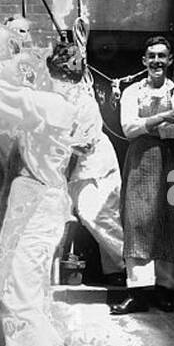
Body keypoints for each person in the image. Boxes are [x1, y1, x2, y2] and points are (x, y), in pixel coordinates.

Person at [0, 41, 104, 346]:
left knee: (19, 293)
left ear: (49, 71)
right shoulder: (62, 102)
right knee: (19, 288)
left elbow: (0, 98)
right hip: (34, 201)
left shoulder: (52, 104)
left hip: (37, 204)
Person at [111, 34, 174, 315]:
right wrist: (159, 119)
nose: (157, 61)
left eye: (162, 56)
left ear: (170, 60)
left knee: (171, 219)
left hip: (173, 160)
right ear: (144, 60)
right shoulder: (133, 92)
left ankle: (164, 291)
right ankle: (138, 293)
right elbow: (128, 129)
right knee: (138, 220)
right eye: (152, 56)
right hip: (141, 161)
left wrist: (147, 124)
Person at [66, 94, 125, 283]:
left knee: (97, 214)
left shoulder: (84, 101)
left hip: (96, 164)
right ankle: (116, 272)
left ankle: (131, 264)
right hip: (71, 168)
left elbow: (85, 144)